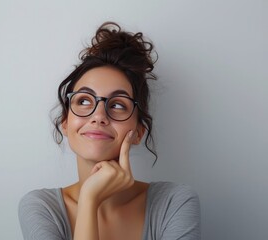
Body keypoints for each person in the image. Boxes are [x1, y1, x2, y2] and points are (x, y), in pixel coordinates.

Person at [18, 22, 200, 240]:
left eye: (117, 104)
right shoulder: (42, 207)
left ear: (139, 131)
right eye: (84, 100)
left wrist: (89, 199)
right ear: (65, 122)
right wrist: (89, 200)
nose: (99, 116)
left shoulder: (174, 203)